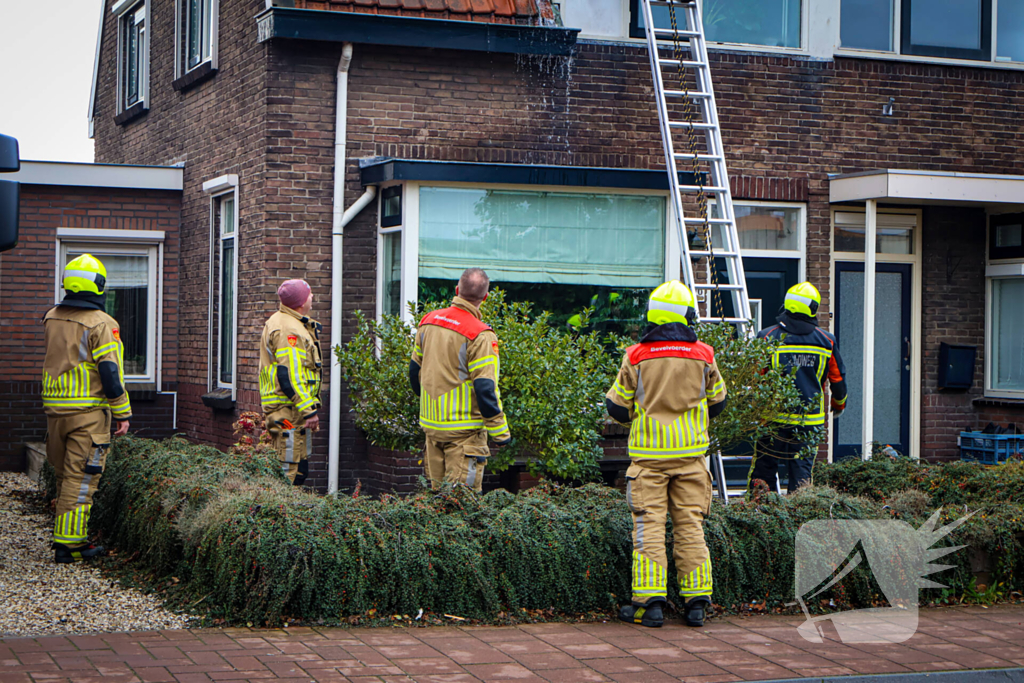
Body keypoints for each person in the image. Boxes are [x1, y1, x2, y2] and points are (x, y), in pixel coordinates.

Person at [606, 280, 727, 628]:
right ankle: (696, 604)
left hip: (649, 459)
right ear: (687, 315)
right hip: (691, 457)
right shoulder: (704, 354)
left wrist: (640, 411)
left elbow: (615, 407)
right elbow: (718, 403)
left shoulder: (636, 355)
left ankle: (650, 605)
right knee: (691, 526)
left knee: (648, 529)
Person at [43, 254, 131, 564]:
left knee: (65, 475)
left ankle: (64, 535)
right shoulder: (102, 324)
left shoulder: (52, 316)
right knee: (82, 479)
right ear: (99, 286)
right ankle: (71, 545)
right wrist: (122, 412)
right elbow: (110, 373)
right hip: (88, 413)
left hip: (55, 412)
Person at [409, 268, 511, 491]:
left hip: (432, 429)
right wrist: (501, 433)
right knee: (460, 506)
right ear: (485, 297)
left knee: (436, 499)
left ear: (457, 290)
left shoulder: (428, 322)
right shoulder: (481, 335)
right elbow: (485, 388)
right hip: (464, 435)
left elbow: (414, 373)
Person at [749, 281, 848, 495]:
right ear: (812, 308)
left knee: (764, 472)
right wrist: (838, 404)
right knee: (801, 476)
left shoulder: (767, 337)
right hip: (808, 422)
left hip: (772, 420)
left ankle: (759, 517)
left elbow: (756, 378)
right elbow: (838, 379)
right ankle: (798, 520)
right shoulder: (826, 341)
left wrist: (755, 409)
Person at [259, 279, 323, 486]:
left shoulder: (281, 321)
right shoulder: (289, 331)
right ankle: (280, 513)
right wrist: (309, 411)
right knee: (290, 472)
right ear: (300, 301)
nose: (312, 298)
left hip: (288, 409)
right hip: (289, 412)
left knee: (296, 466)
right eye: (310, 294)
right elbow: (291, 376)